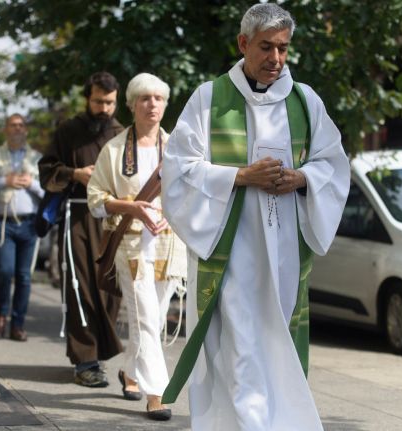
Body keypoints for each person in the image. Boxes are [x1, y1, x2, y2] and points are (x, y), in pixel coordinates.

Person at [160, 4, 351, 430]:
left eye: (284, 49)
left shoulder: (305, 100)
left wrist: (302, 178)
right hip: (232, 254)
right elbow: (177, 169)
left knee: (275, 345)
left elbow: (334, 166)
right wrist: (241, 175)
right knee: (241, 350)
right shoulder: (209, 99)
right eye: (266, 47)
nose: (276, 59)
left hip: (285, 256)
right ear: (243, 44)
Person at [87, 73, 187, 421]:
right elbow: (96, 199)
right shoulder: (114, 149)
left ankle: (130, 372)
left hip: (168, 248)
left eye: (158, 98)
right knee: (145, 318)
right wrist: (130, 207)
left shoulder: (177, 147)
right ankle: (157, 394)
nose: (152, 104)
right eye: (145, 98)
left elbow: (189, 196)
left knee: (155, 319)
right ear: (131, 104)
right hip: (129, 247)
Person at [39, 71, 124, 388]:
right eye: (99, 101)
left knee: (111, 289)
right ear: (87, 99)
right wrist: (75, 173)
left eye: (110, 103)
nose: (104, 108)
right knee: (81, 287)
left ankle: (99, 355)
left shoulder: (122, 133)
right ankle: (85, 361)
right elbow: (46, 172)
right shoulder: (68, 131)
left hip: (113, 219)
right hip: (78, 217)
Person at [0, 114, 44, 341]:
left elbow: (48, 192)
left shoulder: (36, 159)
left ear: (26, 131)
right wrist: (3, 181)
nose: (17, 129)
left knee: (24, 276)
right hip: (3, 223)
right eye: (13, 126)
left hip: (29, 224)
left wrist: (30, 183)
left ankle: (18, 323)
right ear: (5, 130)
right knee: (4, 271)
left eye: (21, 126)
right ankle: (1, 315)